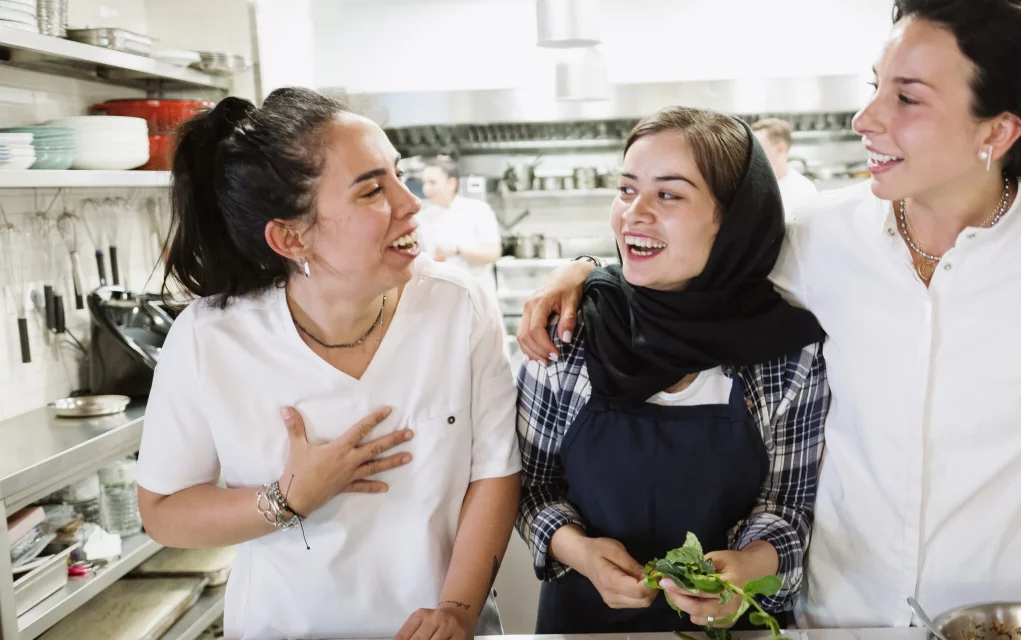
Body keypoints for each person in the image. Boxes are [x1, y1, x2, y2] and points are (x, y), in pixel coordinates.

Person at [515, 0, 1021, 629]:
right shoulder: (824, 237)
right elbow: (697, 263)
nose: (866, 119)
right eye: (874, 87)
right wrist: (583, 271)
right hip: (853, 611)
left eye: (907, 98)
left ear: (998, 131)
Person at [135, 88, 521, 640]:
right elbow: (163, 511)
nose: (408, 202)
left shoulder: (456, 304)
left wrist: (458, 609)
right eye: (371, 190)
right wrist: (287, 500)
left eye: (398, 174)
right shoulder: (211, 338)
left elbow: (494, 472)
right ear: (291, 237)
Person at [515, 106, 830, 635]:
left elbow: (789, 504)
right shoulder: (569, 333)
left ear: (734, 219)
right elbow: (535, 488)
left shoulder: (786, 354)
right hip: (586, 623)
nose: (633, 213)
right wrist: (581, 551)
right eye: (626, 189)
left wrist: (750, 567)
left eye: (669, 194)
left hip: (738, 626)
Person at [419, 157, 503, 295]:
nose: (426, 189)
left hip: (477, 294)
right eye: (424, 183)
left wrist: (457, 250)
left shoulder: (478, 210)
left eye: (432, 183)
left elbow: (493, 254)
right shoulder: (422, 216)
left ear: (451, 183)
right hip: (440, 296)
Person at [752, 118, 818, 219]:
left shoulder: (803, 191)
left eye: (758, 147)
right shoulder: (752, 185)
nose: (752, 153)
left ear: (780, 149)